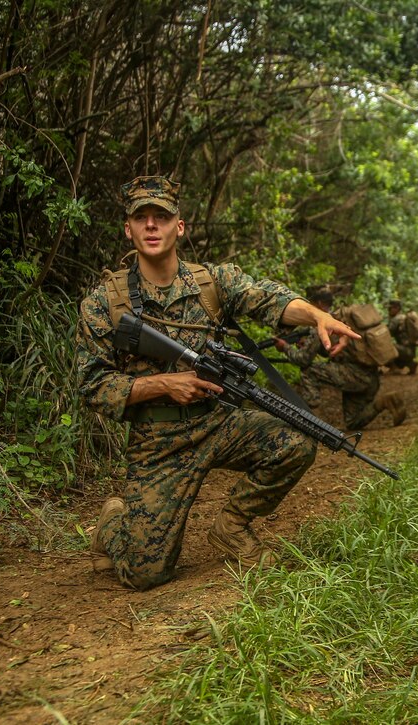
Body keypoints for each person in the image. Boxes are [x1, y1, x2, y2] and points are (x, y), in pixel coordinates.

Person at [78, 176, 360, 591]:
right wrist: (163, 385)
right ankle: (113, 525)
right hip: (158, 440)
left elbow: (269, 299)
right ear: (129, 229)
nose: (151, 226)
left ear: (180, 226)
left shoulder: (211, 281)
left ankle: (231, 526)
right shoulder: (104, 302)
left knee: (296, 440)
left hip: (217, 421)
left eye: (161, 216)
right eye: (141, 218)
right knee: (145, 575)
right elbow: (93, 385)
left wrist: (316, 315)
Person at [276, 289, 407, 430]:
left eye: (310, 304)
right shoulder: (343, 319)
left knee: (309, 371)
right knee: (353, 422)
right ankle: (384, 401)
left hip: (354, 376)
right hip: (370, 377)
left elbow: (302, 359)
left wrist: (285, 348)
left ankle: (305, 412)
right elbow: (336, 352)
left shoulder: (322, 323)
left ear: (319, 303)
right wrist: (311, 346)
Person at [385, 299, 418, 375]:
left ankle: (394, 367)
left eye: (391, 308)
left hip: (405, 350)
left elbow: (387, 333)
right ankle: (411, 364)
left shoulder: (396, 319)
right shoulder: (403, 317)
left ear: (397, 308)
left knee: (386, 347)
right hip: (410, 350)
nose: (389, 310)